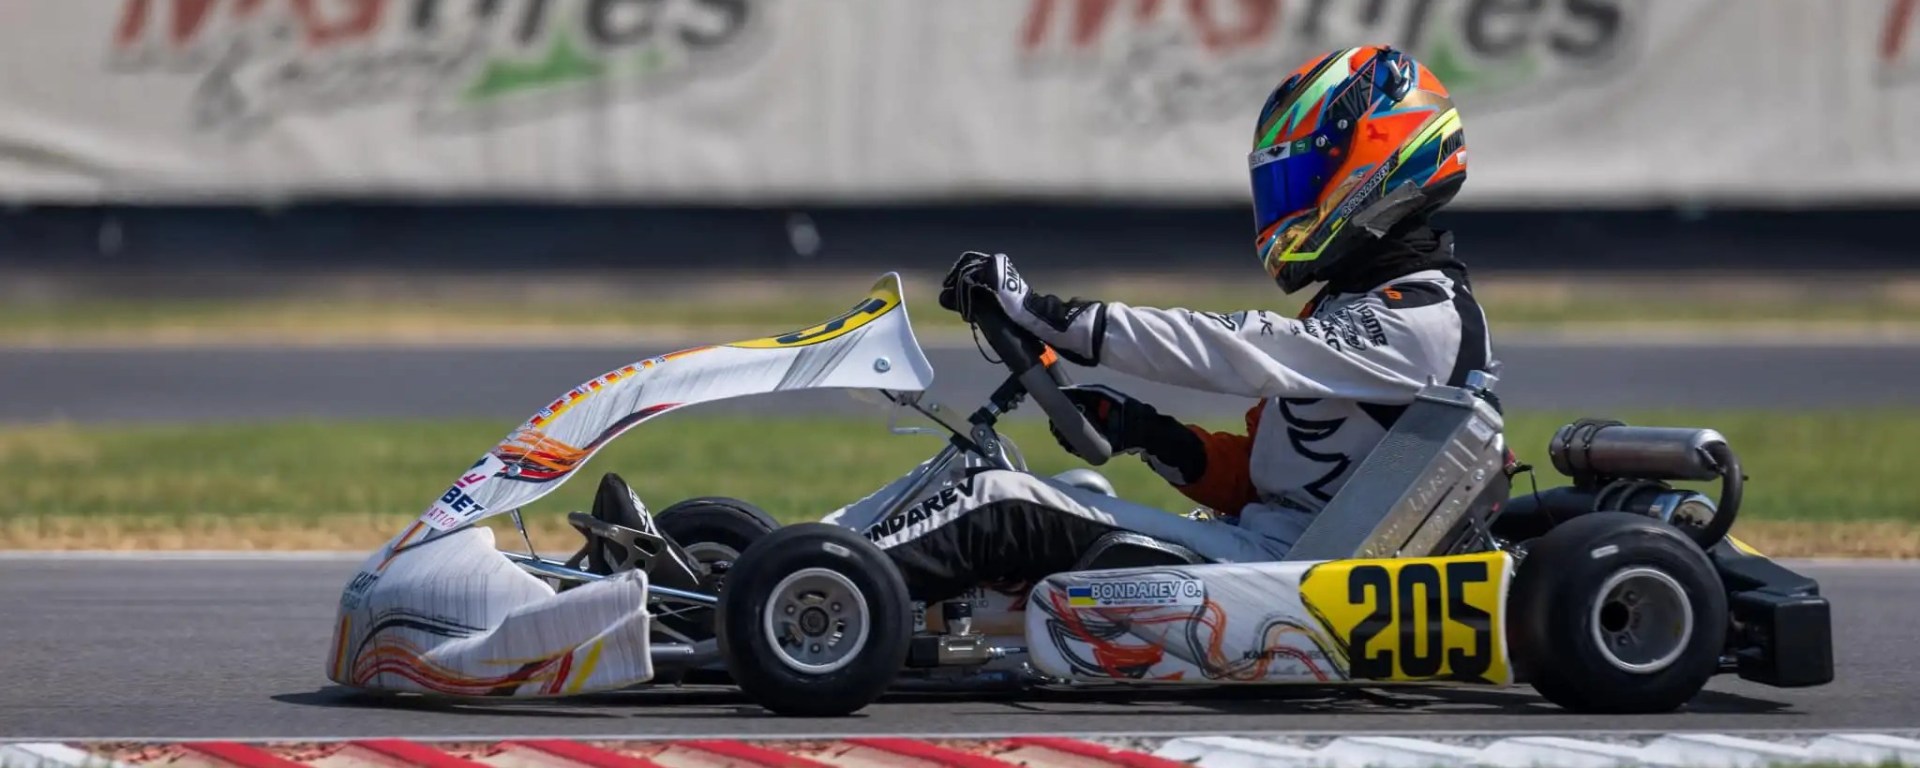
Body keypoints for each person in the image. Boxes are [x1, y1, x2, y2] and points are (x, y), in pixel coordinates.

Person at [825, 45, 1492, 604]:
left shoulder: (1425, 320)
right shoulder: (1359, 306)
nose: (1291, 204)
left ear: (1378, 164)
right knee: (1037, 484)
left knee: (999, 502)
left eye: (1308, 175)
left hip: (1288, 584)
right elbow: (1266, 484)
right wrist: (1148, 432)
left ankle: (809, 586)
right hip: (1267, 554)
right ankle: (785, 561)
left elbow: (1237, 349)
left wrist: (1060, 320)